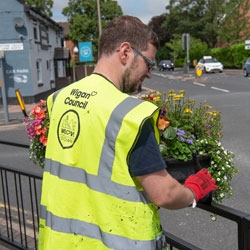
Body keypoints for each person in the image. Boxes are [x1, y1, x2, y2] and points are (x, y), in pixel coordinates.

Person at [38, 15, 217, 250]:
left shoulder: (59, 99)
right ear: (125, 52)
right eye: (148, 64)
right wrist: (193, 191)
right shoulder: (129, 115)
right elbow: (163, 194)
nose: (149, 74)